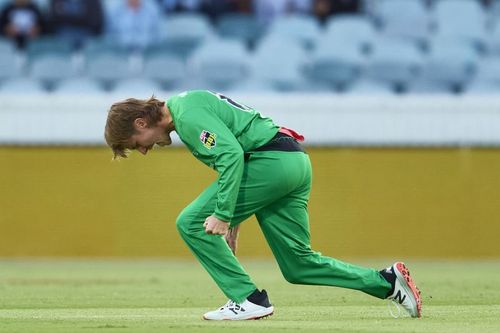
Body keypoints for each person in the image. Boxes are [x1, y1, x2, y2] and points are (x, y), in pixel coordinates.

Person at [104, 90, 422, 320]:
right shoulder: (188, 106)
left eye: (135, 145)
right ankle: (387, 282)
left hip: (271, 162)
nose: (143, 152)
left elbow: (229, 155)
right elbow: (238, 154)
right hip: (293, 163)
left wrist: (224, 214)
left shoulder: (187, 116)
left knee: (189, 223)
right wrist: (235, 222)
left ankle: (247, 298)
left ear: (141, 124)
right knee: (298, 265)